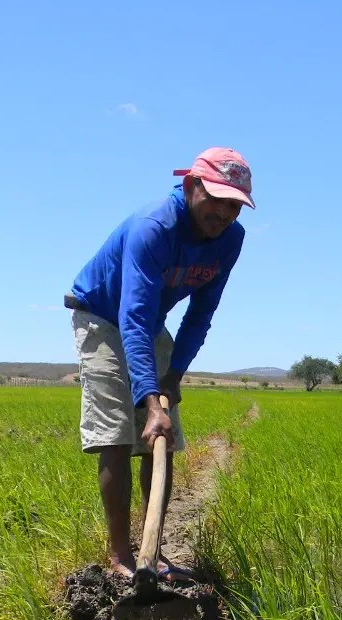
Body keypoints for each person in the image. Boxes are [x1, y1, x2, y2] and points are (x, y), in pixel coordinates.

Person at [66, 147, 253, 577]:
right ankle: (121, 558)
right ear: (191, 186)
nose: (224, 214)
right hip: (102, 315)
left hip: (150, 323)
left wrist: (171, 378)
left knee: (162, 437)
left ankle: (154, 554)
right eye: (217, 200)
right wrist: (149, 402)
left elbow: (202, 313)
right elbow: (132, 316)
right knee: (116, 433)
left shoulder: (230, 240)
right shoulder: (155, 227)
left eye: (235, 206)